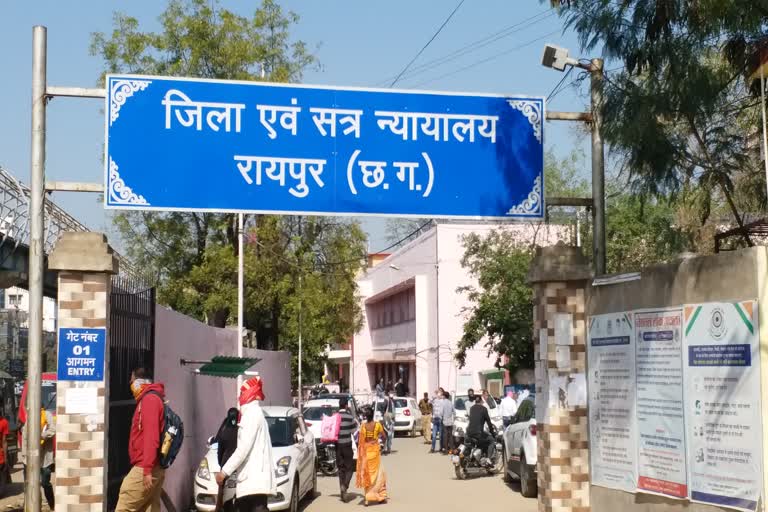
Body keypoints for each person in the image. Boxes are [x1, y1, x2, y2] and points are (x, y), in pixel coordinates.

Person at [216, 377, 275, 512]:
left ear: (249, 394)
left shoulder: (251, 415)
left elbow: (242, 449)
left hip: (253, 483)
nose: (240, 396)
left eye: (242, 392)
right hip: (253, 482)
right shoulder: (255, 413)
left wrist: (224, 472)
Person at [116, 368, 166, 512]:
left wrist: (147, 470)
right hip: (152, 465)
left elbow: (152, 437)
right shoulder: (152, 399)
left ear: (139, 382)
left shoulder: (150, 400)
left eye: (131, 381)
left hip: (146, 465)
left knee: (125, 504)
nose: (130, 385)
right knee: (150, 508)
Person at [356, 407, 388, 505]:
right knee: (378, 475)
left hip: (366, 453)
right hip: (375, 451)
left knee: (367, 475)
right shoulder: (378, 425)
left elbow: (360, 441)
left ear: (366, 416)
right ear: (373, 414)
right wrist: (382, 446)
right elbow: (384, 437)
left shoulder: (363, 426)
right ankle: (380, 497)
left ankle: (367, 498)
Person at [336, 397, 358, 503]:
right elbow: (355, 431)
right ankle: (345, 486)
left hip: (337, 446)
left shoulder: (335, 417)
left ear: (339, 406)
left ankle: (342, 492)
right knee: (350, 467)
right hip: (347, 446)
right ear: (346, 406)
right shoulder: (350, 417)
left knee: (341, 469)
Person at [466, 395, 496, 462]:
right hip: (478, 433)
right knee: (491, 441)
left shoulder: (471, 408)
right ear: (481, 401)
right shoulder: (484, 409)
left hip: (469, 433)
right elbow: (489, 422)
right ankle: (488, 459)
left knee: (481, 441)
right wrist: (492, 433)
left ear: (475, 401)